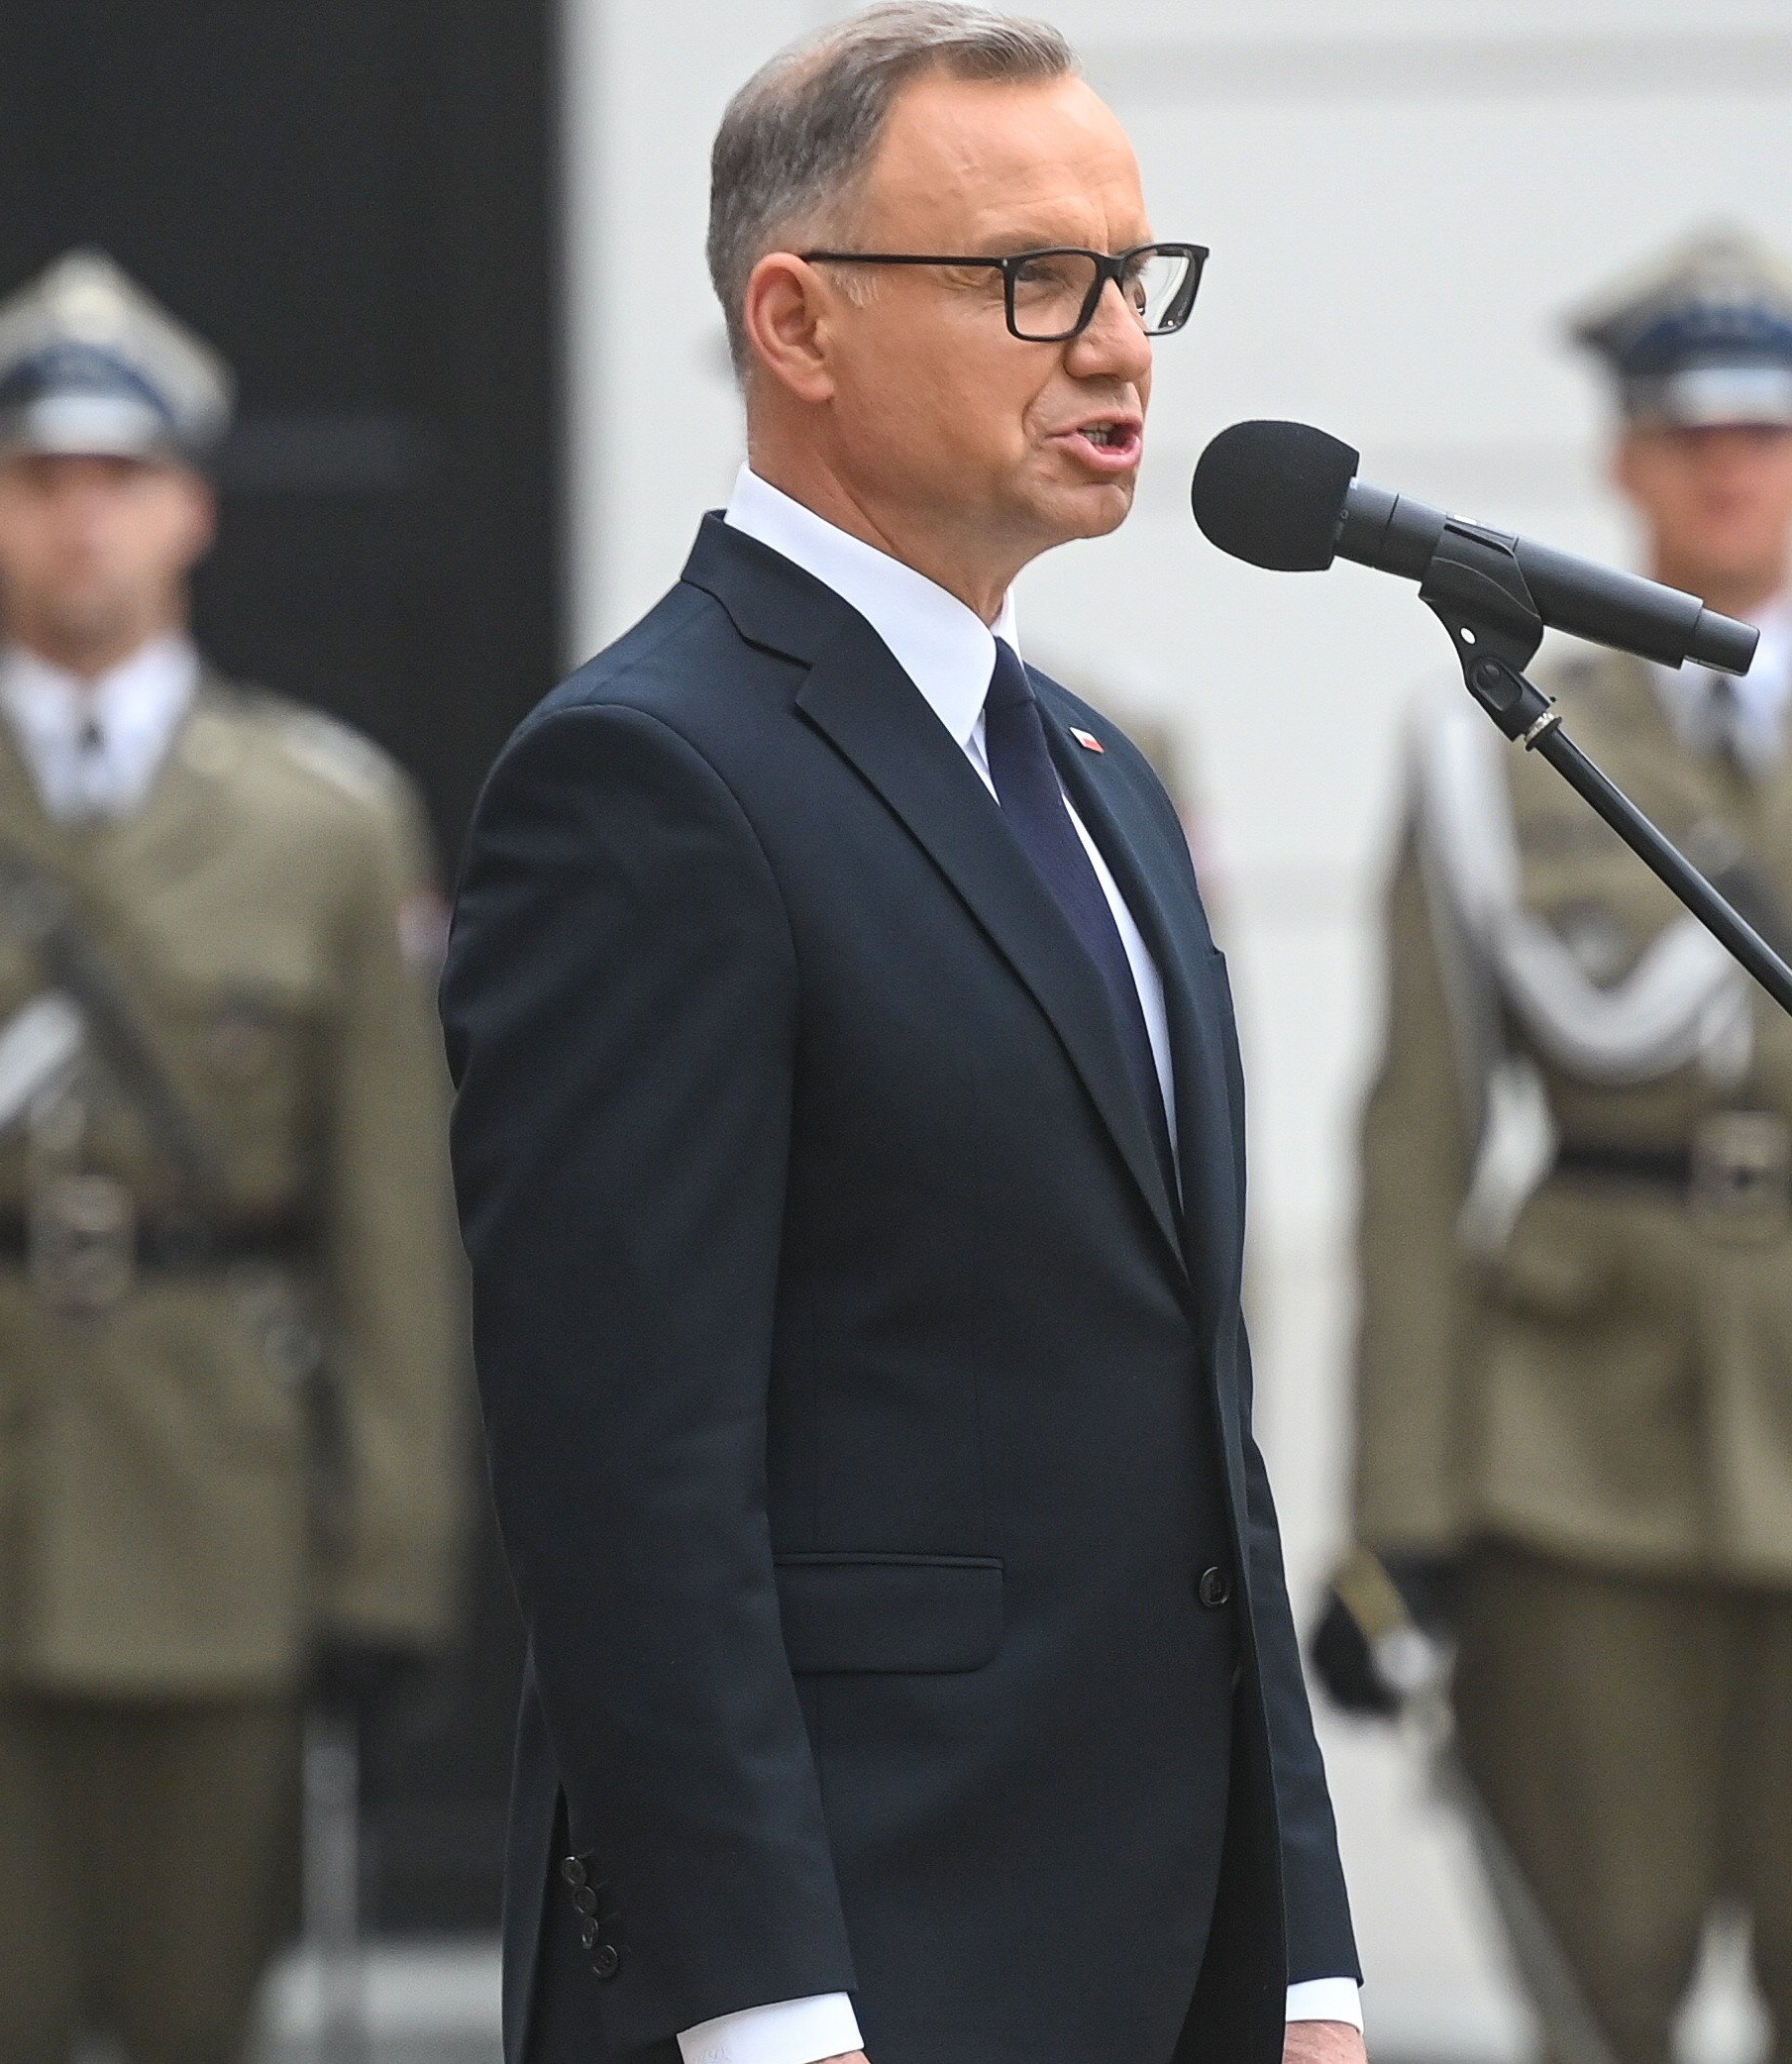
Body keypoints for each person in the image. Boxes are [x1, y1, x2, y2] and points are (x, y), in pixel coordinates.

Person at [437, 11, 1358, 2064]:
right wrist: (769, 2008)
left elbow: (1197, 1424)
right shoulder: (649, 779)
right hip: (855, 1961)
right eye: (1032, 279)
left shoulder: (1099, 776)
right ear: (798, 322)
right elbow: (628, 1480)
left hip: (1162, 1960)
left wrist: (1304, 1961)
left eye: (1134, 277)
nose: (1116, 349)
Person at [1318, 225, 1792, 2064]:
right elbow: (1417, 1146)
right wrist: (1401, 1518)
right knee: (1604, 1990)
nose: (1726, 471)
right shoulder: (1492, 740)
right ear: (1628, 459)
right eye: (1687, 436)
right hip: (1574, 1452)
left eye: (1762, 435)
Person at [0, 248, 468, 2064]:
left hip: (225, 1528)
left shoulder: (325, 821)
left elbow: (392, 1223)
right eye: (40, 477)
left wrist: (388, 1568)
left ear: (190, 508)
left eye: (121, 477)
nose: (83, 520)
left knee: (203, 2021)